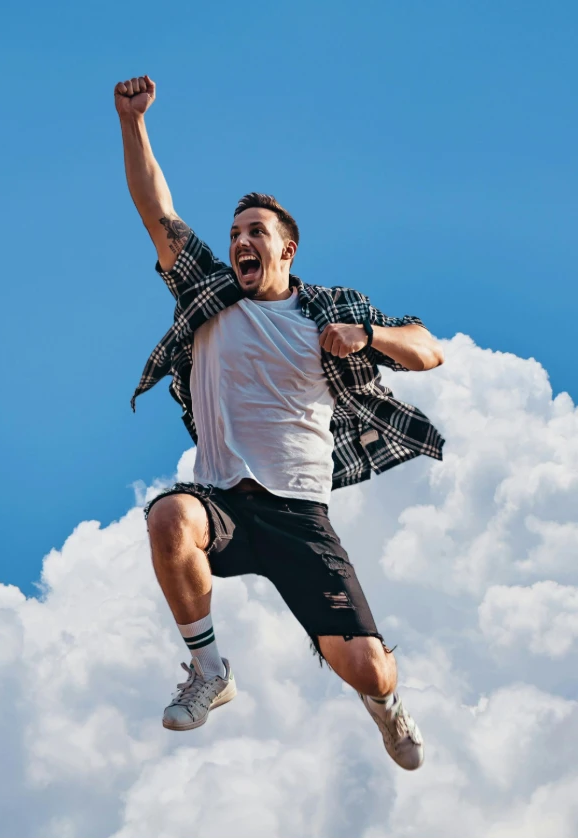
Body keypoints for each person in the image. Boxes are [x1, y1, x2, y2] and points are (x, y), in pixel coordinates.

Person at [117, 75, 446, 770]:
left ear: (286, 251)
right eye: (235, 232)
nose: (240, 241)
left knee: (369, 668)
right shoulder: (208, 290)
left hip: (300, 515)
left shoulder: (327, 310)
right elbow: (157, 212)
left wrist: (367, 335)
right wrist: (132, 122)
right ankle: (210, 672)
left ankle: (386, 707)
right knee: (169, 520)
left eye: (255, 233)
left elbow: (427, 348)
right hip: (222, 502)